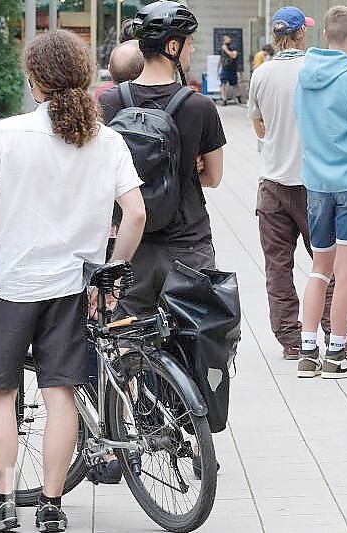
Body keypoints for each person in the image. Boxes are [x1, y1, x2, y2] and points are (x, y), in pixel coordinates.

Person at [0, 30, 145, 532]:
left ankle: (1, 504)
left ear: (35, 81)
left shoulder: (8, 134)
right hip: (71, 288)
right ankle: (51, 505)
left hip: (12, 282)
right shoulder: (108, 141)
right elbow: (134, 214)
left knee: (0, 392)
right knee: (61, 392)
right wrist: (109, 275)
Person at [99, 0, 226, 319]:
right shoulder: (200, 107)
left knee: (128, 340)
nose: (192, 49)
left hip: (133, 247)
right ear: (173, 45)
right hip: (188, 246)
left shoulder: (110, 102)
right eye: (189, 42)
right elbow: (214, 177)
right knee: (195, 346)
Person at [249, 6, 347, 360]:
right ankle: (333, 330)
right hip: (314, 183)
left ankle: (290, 339)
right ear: (301, 34)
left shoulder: (261, 74)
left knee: (277, 267)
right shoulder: (315, 69)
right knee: (326, 264)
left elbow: (259, 125)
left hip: (273, 184)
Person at [293, 5, 347, 379]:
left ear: (324, 34)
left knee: (319, 269)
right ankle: (337, 353)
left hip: (315, 183)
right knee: (346, 272)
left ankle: (307, 351)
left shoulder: (303, 78)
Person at [220, 35, 239, 105]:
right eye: (224, 39)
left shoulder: (233, 46)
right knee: (223, 84)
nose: (225, 40)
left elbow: (234, 56)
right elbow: (221, 58)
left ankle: (237, 98)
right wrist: (218, 68)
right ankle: (224, 99)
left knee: (235, 84)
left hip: (232, 68)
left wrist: (226, 50)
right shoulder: (223, 47)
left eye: (227, 38)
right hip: (225, 68)